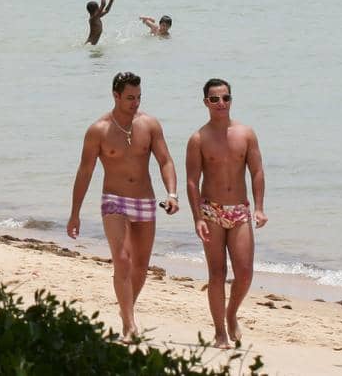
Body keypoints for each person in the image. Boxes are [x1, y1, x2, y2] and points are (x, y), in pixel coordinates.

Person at [66, 71, 180, 339]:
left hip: (145, 200)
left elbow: (166, 161)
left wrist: (172, 193)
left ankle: (126, 310)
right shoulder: (99, 130)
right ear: (115, 95)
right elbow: (85, 171)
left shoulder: (150, 125)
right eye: (129, 98)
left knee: (141, 266)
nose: (135, 103)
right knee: (122, 260)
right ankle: (130, 324)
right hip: (114, 200)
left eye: (139, 97)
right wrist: (75, 214)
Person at [184, 78, 268, 348]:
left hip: (240, 211)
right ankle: (220, 331)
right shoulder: (198, 138)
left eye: (225, 98)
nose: (221, 103)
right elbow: (191, 181)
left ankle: (231, 314)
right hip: (211, 210)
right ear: (205, 102)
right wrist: (197, 217)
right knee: (217, 273)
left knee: (244, 273)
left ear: (231, 100)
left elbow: (256, 171)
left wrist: (259, 207)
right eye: (214, 99)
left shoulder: (246, 133)